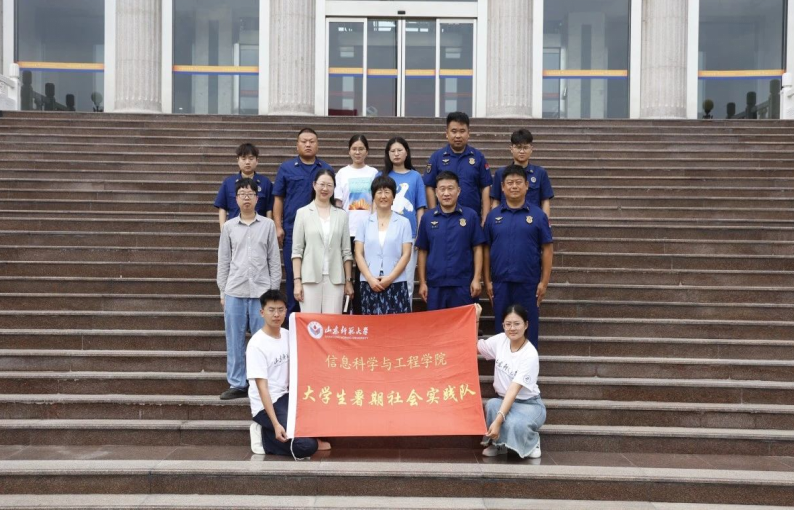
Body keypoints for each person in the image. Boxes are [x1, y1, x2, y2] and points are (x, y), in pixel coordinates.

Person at [217, 178, 282, 400]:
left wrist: (273, 293)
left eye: (250, 194)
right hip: (234, 290)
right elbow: (223, 261)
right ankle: (237, 382)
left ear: (257, 198)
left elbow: (274, 260)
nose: (246, 198)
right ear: (236, 199)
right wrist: (222, 291)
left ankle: (260, 383)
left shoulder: (268, 225)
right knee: (234, 339)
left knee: (261, 340)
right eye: (242, 194)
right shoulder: (228, 227)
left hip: (261, 293)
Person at [247, 290, 331, 458]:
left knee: (326, 419)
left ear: (286, 311)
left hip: (288, 397)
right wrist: (275, 424)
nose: (276, 314)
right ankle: (264, 436)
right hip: (266, 405)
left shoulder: (288, 335)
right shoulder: (256, 345)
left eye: (280, 310)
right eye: (271, 310)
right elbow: (262, 388)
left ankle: (302, 436)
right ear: (262, 312)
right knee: (307, 446)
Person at [483, 165, 553, 350]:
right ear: (502, 187)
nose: (514, 186)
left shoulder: (538, 216)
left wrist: (544, 282)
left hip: (528, 282)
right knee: (502, 329)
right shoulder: (493, 216)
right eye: (510, 183)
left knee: (529, 328)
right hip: (501, 282)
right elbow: (486, 250)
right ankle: (503, 367)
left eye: (518, 182)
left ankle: (528, 367)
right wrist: (487, 281)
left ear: (527, 185)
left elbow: (547, 249)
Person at [273, 128, 334, 315]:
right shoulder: (286, 168)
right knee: (294, 276)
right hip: (293, 231)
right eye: (304, 141)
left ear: (318, 145)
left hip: (321, 232)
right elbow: (278, 199)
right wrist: (278, 226)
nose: (308, 145)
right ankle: (294, 319)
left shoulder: (326, 169)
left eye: (312, 141)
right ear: (297, 144)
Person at [475, 302, 546, 459]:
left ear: (526, 325)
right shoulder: (500, 340)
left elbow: (513, 390)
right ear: (503, 325)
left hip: (529, 405)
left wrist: (498, 421)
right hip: (504, 400)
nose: (512, 328)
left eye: (516, 324)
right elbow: (475, 347)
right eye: (508, 324)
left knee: (514, 423)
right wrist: (475, 320)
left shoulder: (530, 354)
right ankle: (497, 444)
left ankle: (532, 441)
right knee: (492, 405)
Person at [416, 171, 486, 311]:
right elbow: (422, 251)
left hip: (463, 284)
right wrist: (422, 282)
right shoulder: (427, 218)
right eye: (442, 189)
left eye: (450, 188)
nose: (446, 193)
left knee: (463, 324)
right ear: (436, 192)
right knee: (437, 324)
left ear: (458, 191)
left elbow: (478, 248)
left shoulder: (470, 216)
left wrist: (477, 278)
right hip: (435, 285)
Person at [291, 169, 355, 314]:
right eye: (322, 184)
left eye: (329, 185)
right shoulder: (303, 213)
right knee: (311, 323)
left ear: (334, 188)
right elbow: (297, 251)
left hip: (335, 279)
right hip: (310, 278)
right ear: (314, 185)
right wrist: (297, 281)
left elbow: (346, 252)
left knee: (332, 323)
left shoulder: (342, 215)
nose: (325, 189)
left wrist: (348, 281)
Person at [355, 175, 413, 315]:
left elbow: (406, 254)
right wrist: (370, 278)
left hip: (396, 281)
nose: (383, 196)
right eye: (379, 192)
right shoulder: (364, 223)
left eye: (387, 192)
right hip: (369, 282)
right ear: (373, 196)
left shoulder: (404, 222)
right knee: (371, 324)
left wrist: (390, 278)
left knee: (396, 324)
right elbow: (358, 253)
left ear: (393, 196)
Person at [334, 135, 379, 314]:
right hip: (347, 229)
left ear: (367, 151)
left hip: (367, 231)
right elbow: (338, 204)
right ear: (349, 151)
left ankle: (361, 311)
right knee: (343, 271)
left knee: (363, 274)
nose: (357, 152)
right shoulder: (342, 173)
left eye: (361, 149)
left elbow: (376, 201)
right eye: (354, 149)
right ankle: (343, 311)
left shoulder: (373, 173)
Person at [424, 111, 492, 224]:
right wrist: (433, 214)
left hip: (472, 218)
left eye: (462, 131)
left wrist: (485, 217)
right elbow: (430, 187)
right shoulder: (437, 157)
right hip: (443, 218)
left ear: (468, 133)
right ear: (447, 133)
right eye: (454, 131)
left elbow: (485, 187)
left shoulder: (478, 157)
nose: (458, 136)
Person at [382, 137, 427, 304]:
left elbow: (420, 208)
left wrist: (419, 234)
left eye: (399, 150)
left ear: (406, 153)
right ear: (388, 154)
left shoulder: (415, 177)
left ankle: (405, 312)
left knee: (407, 280)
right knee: (386, 276)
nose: (396, 154)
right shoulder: (382, 176)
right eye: (392, 151)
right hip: (385, 234)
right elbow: (375, 206)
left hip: (409, 236)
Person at [490, 129, 554, 218]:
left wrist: (544, 222)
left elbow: (545, 201)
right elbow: (496, 201)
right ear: (511, 149)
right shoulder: (501, 173)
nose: (522, 151)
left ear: (531, 149)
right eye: (518, 147)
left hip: (533, 220)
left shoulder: (540, 173)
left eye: (525, 147)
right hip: (506, 220)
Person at [214, 143, 274, 231]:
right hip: (234, 230)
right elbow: (222, 207)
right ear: (238, 160)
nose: (247, 162)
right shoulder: (228, 183)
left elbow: (269, 209)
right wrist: (223, 229)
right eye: (243, 158)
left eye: (251, 158)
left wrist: (269, 230)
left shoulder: (265, 183)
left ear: (257, 161)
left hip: (259, 231)